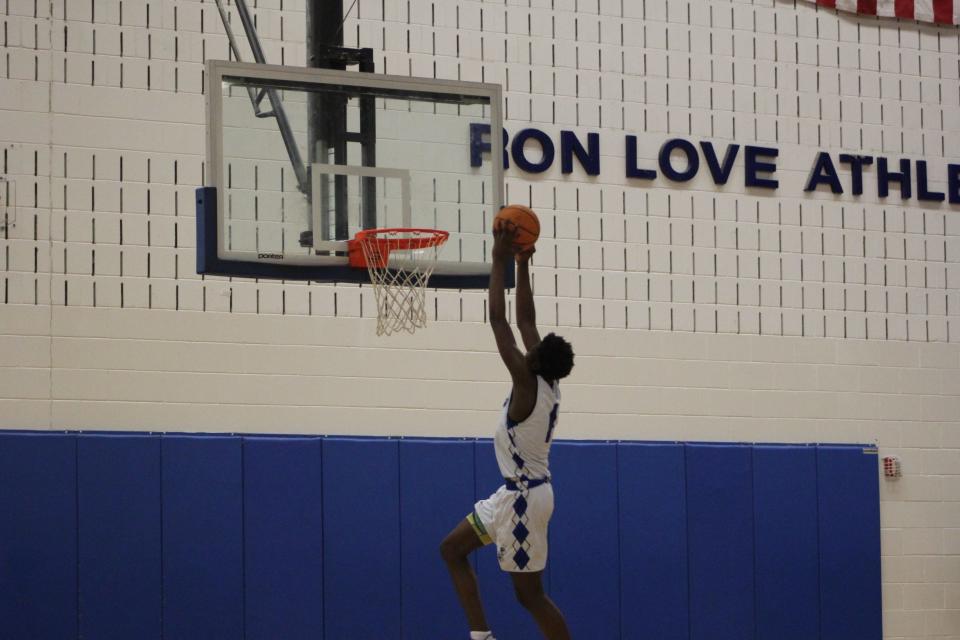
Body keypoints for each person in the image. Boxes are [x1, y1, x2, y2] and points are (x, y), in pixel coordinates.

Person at [440, 222, 575, 640]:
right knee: (452, 550)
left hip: (524, 500)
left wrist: (498, 261)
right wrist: (523, 265)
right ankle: (482, 637)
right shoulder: (547, 379)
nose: (528, 343)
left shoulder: (524, 380)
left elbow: (500, 321)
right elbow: (526, 318)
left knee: (529, 596)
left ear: (534, 360)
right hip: (512, 494)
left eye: (532, 348)